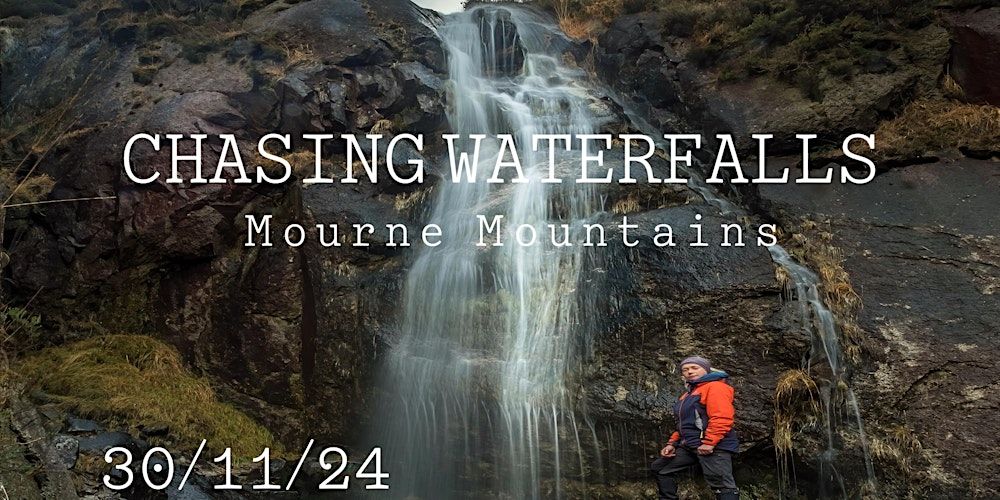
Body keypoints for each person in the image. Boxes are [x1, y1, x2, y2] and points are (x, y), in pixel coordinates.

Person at [650, 356, 739, 500]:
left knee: (722, 484)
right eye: (685, 369)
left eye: (694, 368)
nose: (690, 372)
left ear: (706, 369)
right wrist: (671, 444)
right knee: (660, 468)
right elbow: (683, 424)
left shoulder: (715, 387)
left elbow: (721, 417)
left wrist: (710, 442)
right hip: (690, 445)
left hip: (714, 446)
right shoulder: (687, 394)